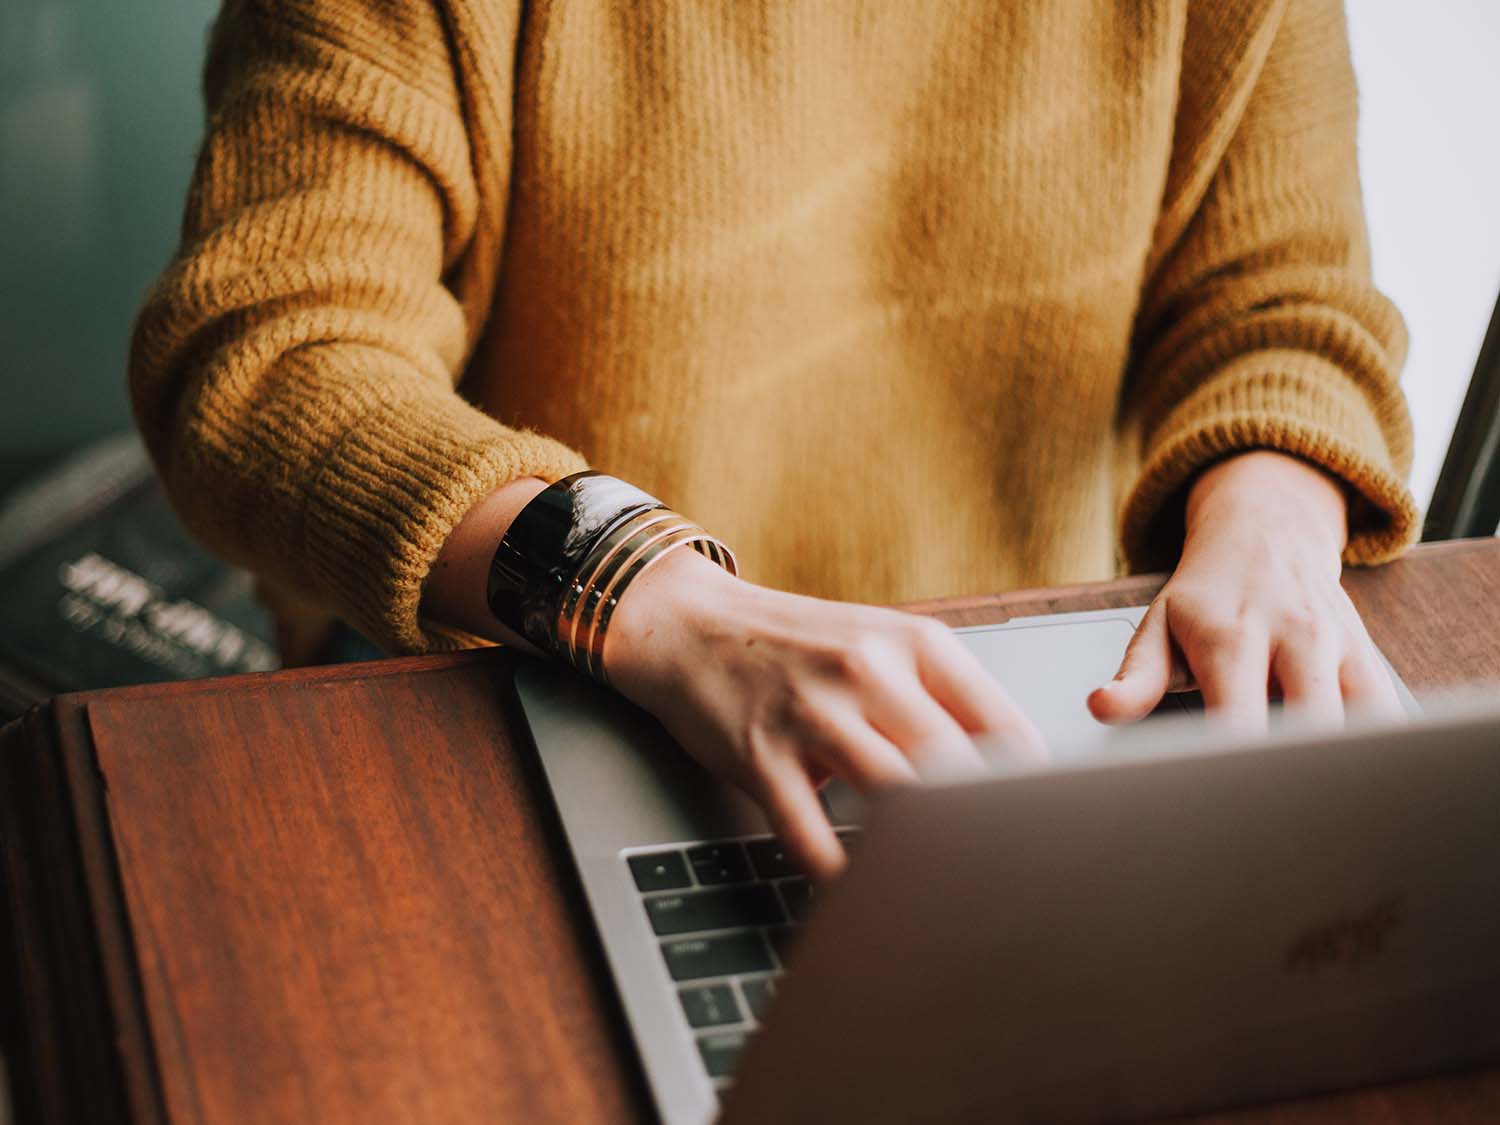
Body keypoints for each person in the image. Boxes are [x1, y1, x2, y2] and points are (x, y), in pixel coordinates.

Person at [129, 0, 1417, 878]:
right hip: (530, 674)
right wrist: (644, 594)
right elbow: (266, 353)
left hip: (1019, 710)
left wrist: (1275, 515)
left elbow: (1286, 301)